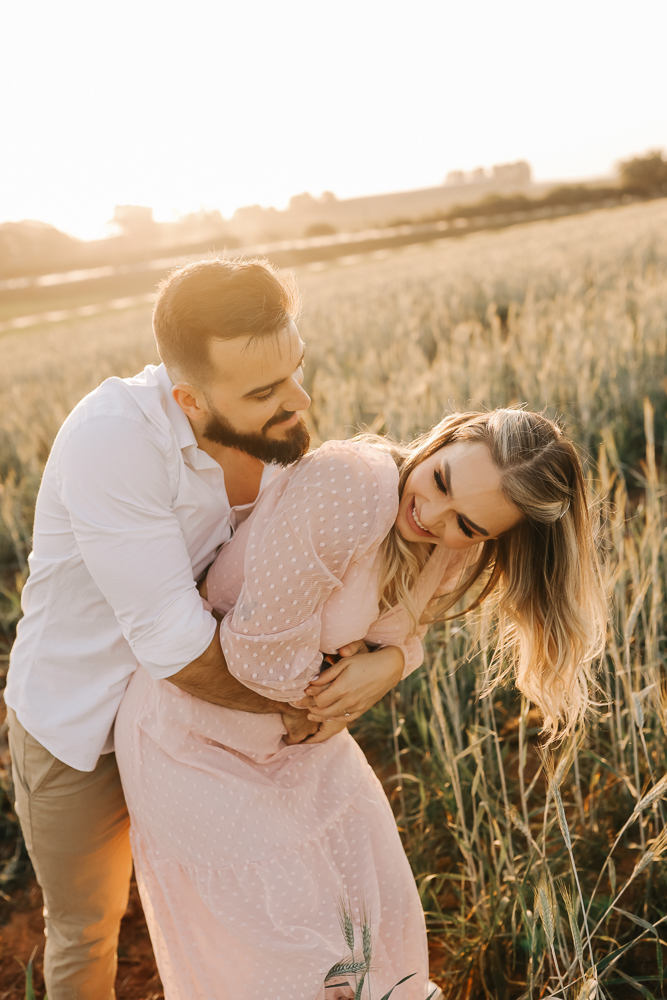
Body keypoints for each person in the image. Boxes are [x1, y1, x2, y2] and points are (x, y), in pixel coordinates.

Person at [4, 257, 406, 1000]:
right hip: (81, 725)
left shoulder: (279, 432)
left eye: (296, 371)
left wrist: (393, 659)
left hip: (197, 730)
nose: (298, 401)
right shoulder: (111, 440)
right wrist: (303, 704)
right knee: (89, 927)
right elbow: (177, 648)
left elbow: (369, 560)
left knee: (247, 905)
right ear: (188, 398)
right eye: (263, 391)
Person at [115, 407, 608, 1000]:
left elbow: (402, 635)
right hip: (195, 741)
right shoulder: (354, 483)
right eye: (442, 481)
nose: (432, 516)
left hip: (299, 749)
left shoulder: (454, 547)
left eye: (470, 525)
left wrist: (394, 662)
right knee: (306, 963)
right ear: (444, 440)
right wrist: (344, 689)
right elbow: (258, 656)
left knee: (378, 922)